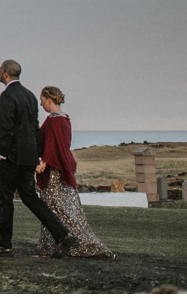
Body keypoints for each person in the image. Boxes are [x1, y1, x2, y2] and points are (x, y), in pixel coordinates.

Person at [0, 60, 75, 258]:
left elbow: (6, 127)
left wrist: (1, 154)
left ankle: (3, 245)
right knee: (30, 198)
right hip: (27, 159)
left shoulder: (8, 95)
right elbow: (33, 129)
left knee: (4, 199)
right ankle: (62, 234)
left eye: (0, 70)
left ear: (6, 74)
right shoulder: (30, 96)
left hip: (9, 160)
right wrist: (36, 157)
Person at [34, 86, 115, 259]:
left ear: (49, 100)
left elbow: (51, 147)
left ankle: (85, 244)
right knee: (63, 207)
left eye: (42, 101)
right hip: (64, 167)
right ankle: (51, 244)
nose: (41, 105)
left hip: (55, 171)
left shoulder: (54, 121)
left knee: (58, 209)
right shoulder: (64, 119)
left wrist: (43, 164)